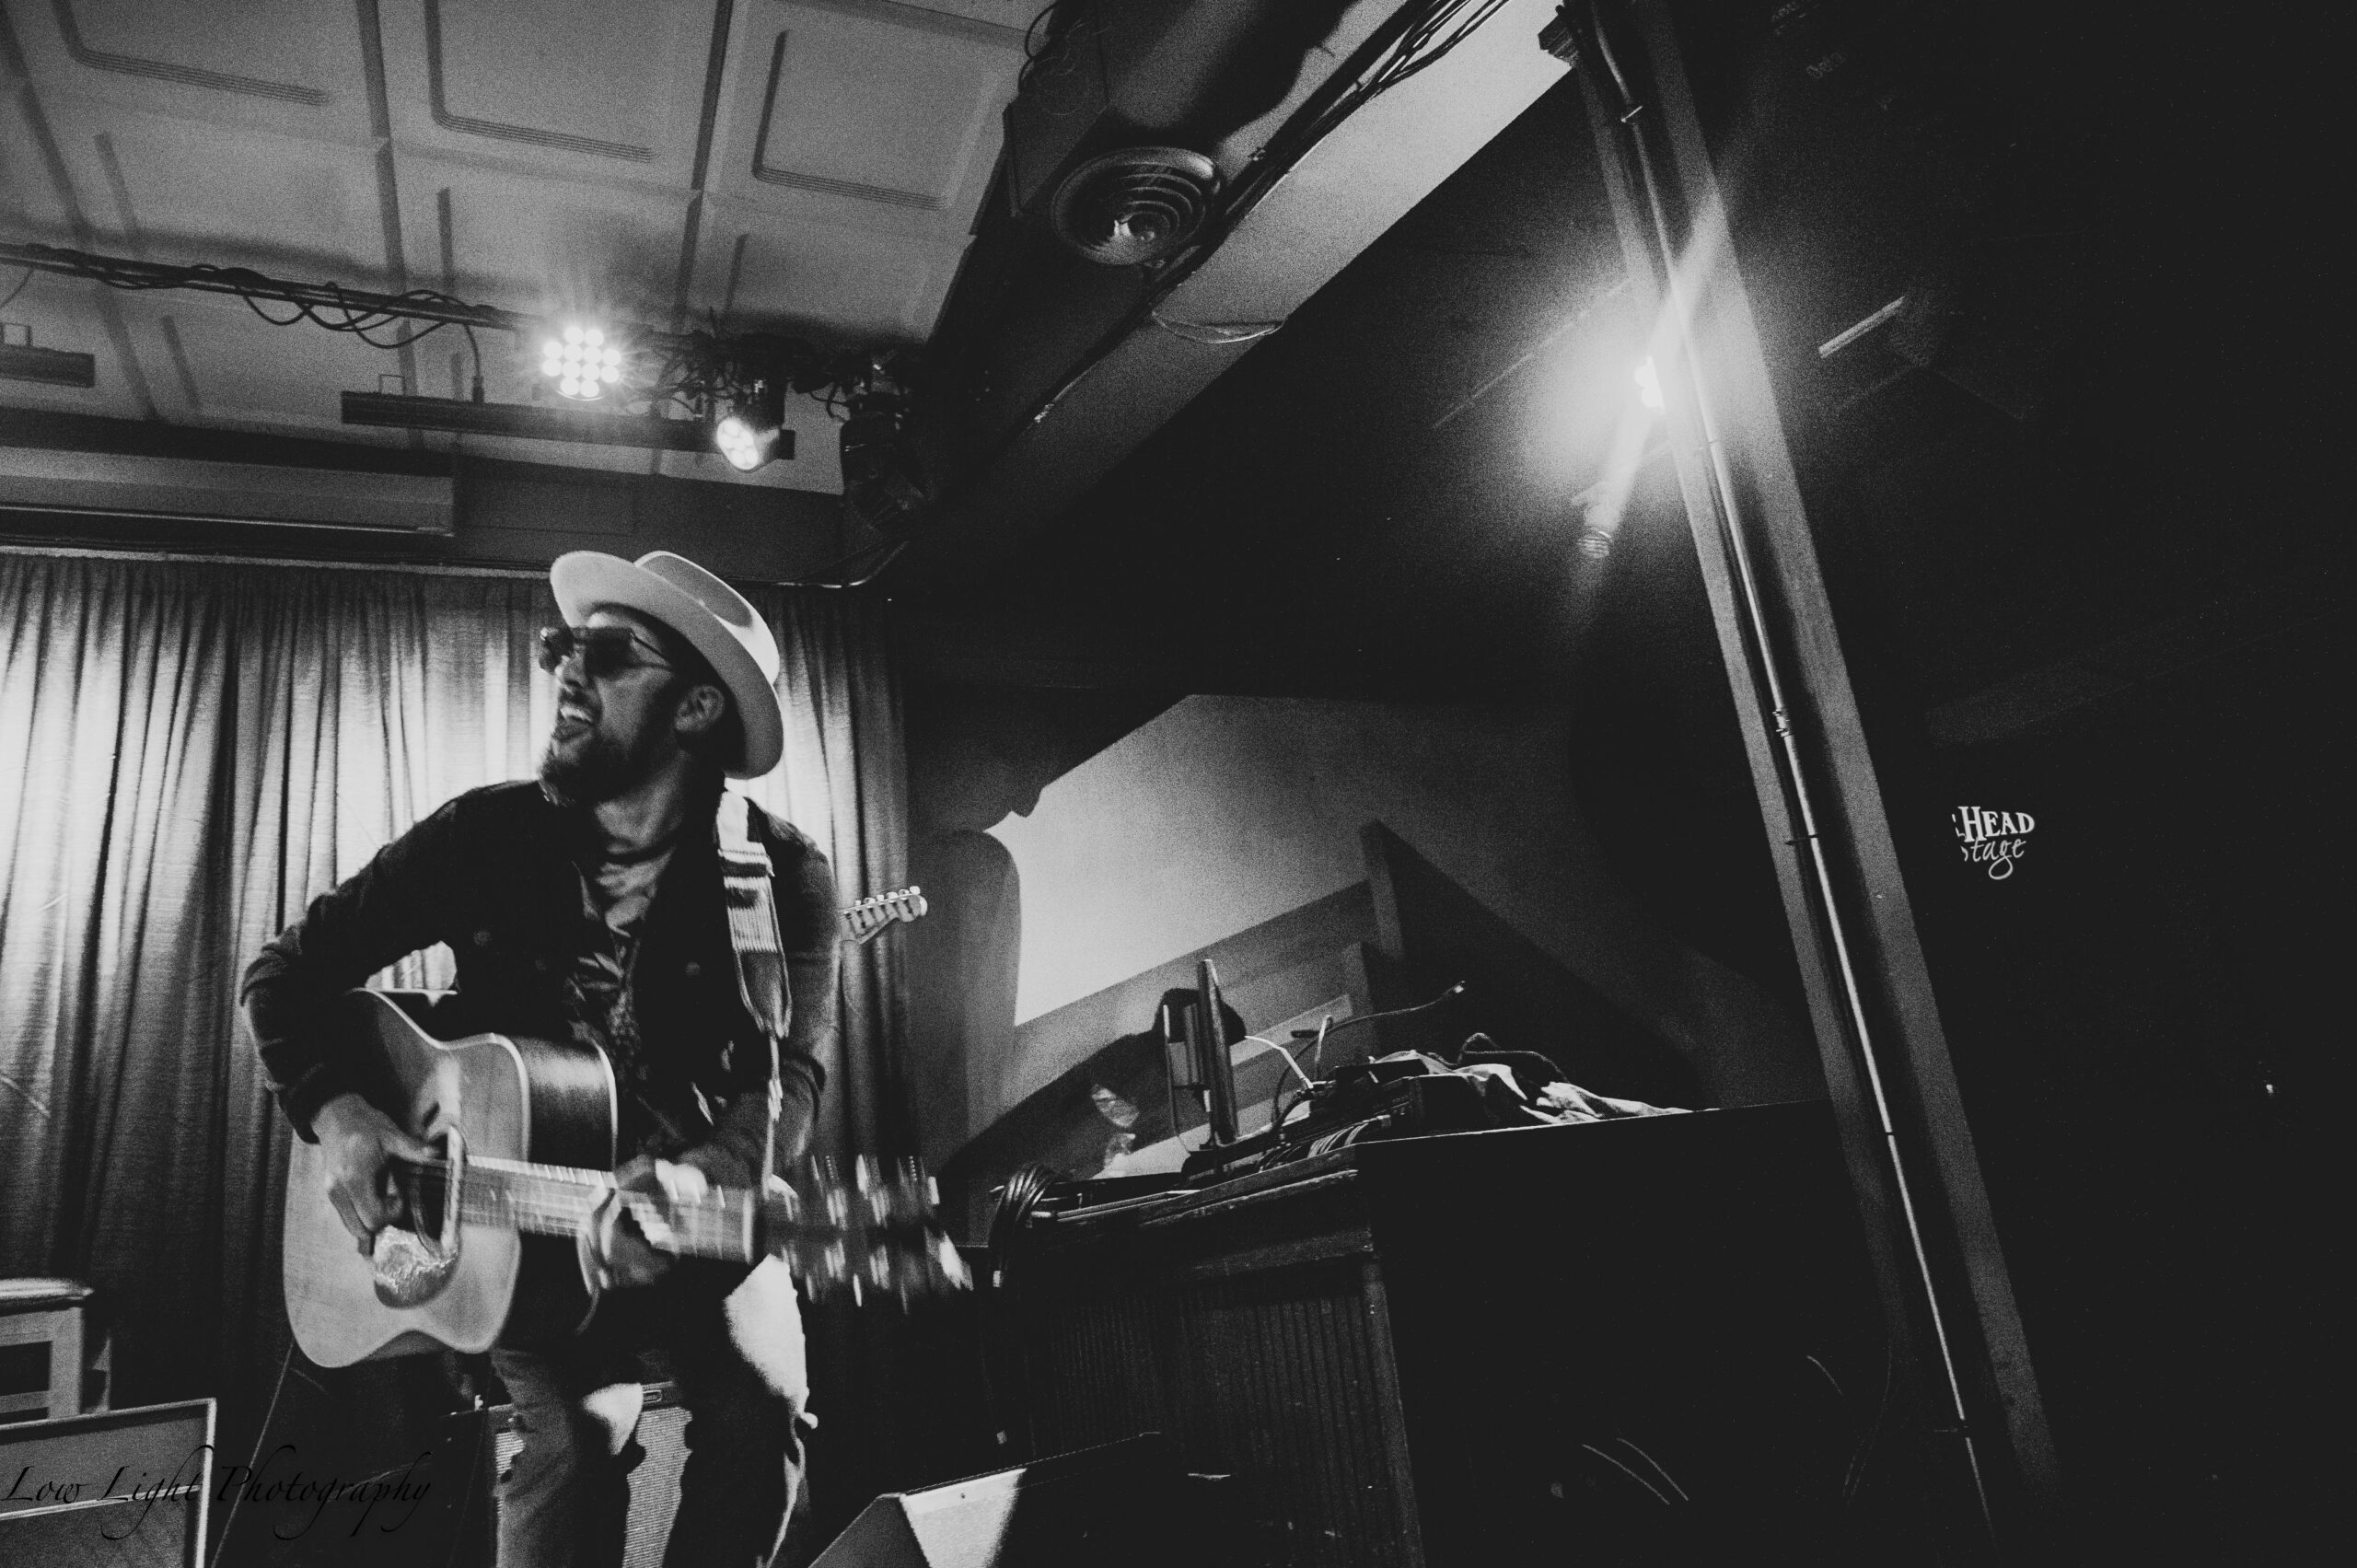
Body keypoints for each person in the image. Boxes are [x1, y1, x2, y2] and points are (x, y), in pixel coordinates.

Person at [243, 550, 838, 1568]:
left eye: (605, 655)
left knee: (763, 1409)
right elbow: (284, 975)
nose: (566, 670)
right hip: (516, 1239)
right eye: (561, 646)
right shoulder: (483, 836)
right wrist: (341, 1116)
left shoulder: (773, 873)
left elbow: (785, 1081)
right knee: (575, 1433)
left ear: (697, 708)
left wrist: (700, 1178)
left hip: (684, 1213)